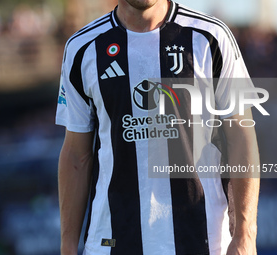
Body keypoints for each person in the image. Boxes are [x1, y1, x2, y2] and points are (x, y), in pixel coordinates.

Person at [56, 0, 260, 254]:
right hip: (111, 242)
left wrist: (245, 235)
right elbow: (76, 155)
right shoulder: (82, 48)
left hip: (203, 241)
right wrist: (67, 246)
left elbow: (242, 136)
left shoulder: (211, 36)